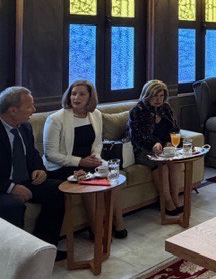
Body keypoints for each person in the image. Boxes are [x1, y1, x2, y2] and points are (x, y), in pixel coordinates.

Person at [42, 79, 127, 238]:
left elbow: (97, 143)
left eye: (82, 94)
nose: (76, 98)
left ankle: (118, 222)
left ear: (90, 97)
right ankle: (96, 229)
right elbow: (51, 155)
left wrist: (95, 157)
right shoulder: (55, 119)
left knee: (114, 175)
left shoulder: (96, 114)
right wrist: (80, 161)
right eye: (73, 94)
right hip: (62, 166)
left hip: (89, 161)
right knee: (90, 181)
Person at [0, 87, 67, 262]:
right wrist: (11, 187)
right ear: (12, 110)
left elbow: (33, 154)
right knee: (13, 205)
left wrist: (39, 169)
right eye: (29, 106)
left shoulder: (25, 127)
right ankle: (15, 260)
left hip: (26, 180)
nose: (34, 110)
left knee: (58, 190)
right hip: (3, 186)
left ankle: (44, 251)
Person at [127, 80, 184, 216]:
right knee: (162, 166)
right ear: (147, 95)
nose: (158, 100)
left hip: (164, 147)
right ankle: (166, 201)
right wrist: (153, 144)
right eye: (155, 96)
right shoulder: (138, 111)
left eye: (161, 96)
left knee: (175, 163)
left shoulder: (166, 108)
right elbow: (137, 137)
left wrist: (169, 141)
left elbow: (174, 129)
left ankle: (175, 197)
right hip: (142, 148)